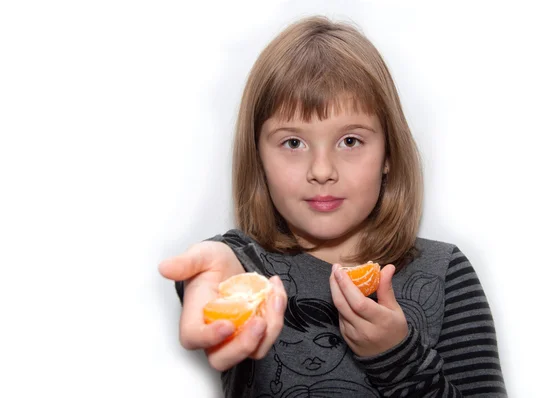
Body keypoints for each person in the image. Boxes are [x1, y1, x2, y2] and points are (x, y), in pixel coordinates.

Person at [159, 15, 507, 397]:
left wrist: (397, 356)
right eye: (293, 143)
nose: (322, 171)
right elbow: (215, 269)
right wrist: (215, 283)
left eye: (350, 141)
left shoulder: (443, 274)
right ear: (258, 157)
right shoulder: (244, 269)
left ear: (388, 152)